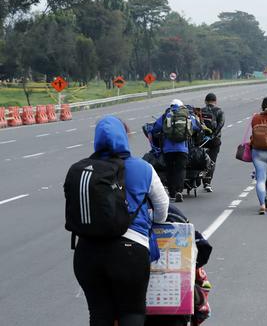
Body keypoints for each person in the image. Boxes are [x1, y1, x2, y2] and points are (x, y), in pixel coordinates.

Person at [73, 116, 169, 326]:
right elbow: (162, 208)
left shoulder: (84, 170)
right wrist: (151, 220)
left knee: (99, 313)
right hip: (130, 252)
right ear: (125, 138)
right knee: (131, 311)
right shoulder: (143, 168)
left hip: (87, 252)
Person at [152, 99, 201, 203]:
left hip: (168, 149)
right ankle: (179, 191)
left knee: (170, 170)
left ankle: (172, 193)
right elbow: (197, 126)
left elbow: (155, 128)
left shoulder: (166, 115)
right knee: (181, 169)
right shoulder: (186, 115)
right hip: (182, 148)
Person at [201, 93, 225, 193]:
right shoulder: (219, 111)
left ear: (205, 101)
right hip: (214, 141)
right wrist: (213, 135)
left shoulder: (200, 111)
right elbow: (221, 124)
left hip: (201, 140)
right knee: (212, 160)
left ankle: (198, 177)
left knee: (199, 158)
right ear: (215, 101)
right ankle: (207, 182)